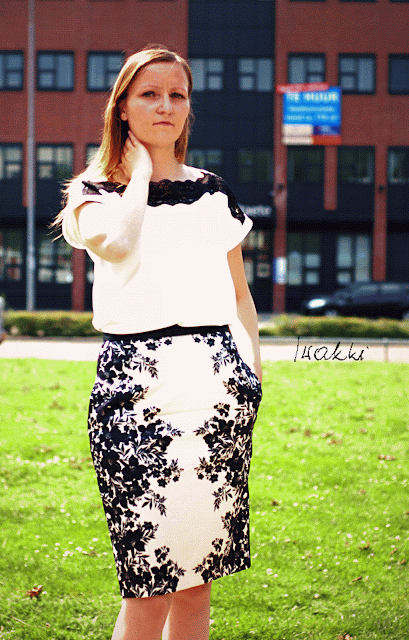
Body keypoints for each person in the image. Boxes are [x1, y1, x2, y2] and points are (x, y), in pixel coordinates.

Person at [56, 45, 262, 640]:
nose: (165, 105)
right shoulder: (92, 192)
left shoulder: (213, 192)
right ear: (122, 107)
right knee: (148, 588)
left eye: (177, 94)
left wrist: (252, 375)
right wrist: (142, 171)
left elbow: (240, 296)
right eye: (149, 94)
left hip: (217, 392)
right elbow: (119, 245)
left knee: (197, 586)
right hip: (135, 393)